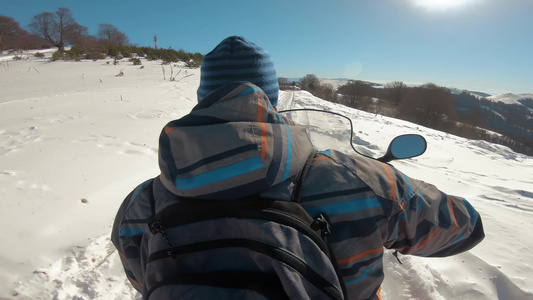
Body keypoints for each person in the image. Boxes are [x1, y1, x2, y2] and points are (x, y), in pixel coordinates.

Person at [112, 36, 484, 299]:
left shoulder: (143, 203)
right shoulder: (360, 180)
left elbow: (141, 279)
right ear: (269, 98)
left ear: (203, 101)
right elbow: (462, 227)